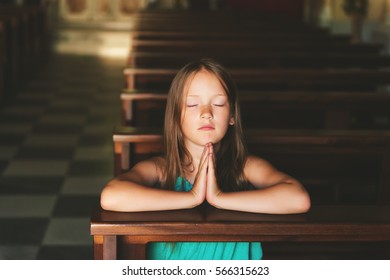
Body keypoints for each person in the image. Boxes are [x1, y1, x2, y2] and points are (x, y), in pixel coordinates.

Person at [100, 58, 311, 260]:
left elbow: (298, 199)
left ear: (232, 116)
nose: (206, 113)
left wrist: (219, 198)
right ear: (175, 116)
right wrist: (192, 197)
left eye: (218, 104)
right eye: (192, 104)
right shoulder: (161, 169)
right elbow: (111, 196)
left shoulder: (245, 166)